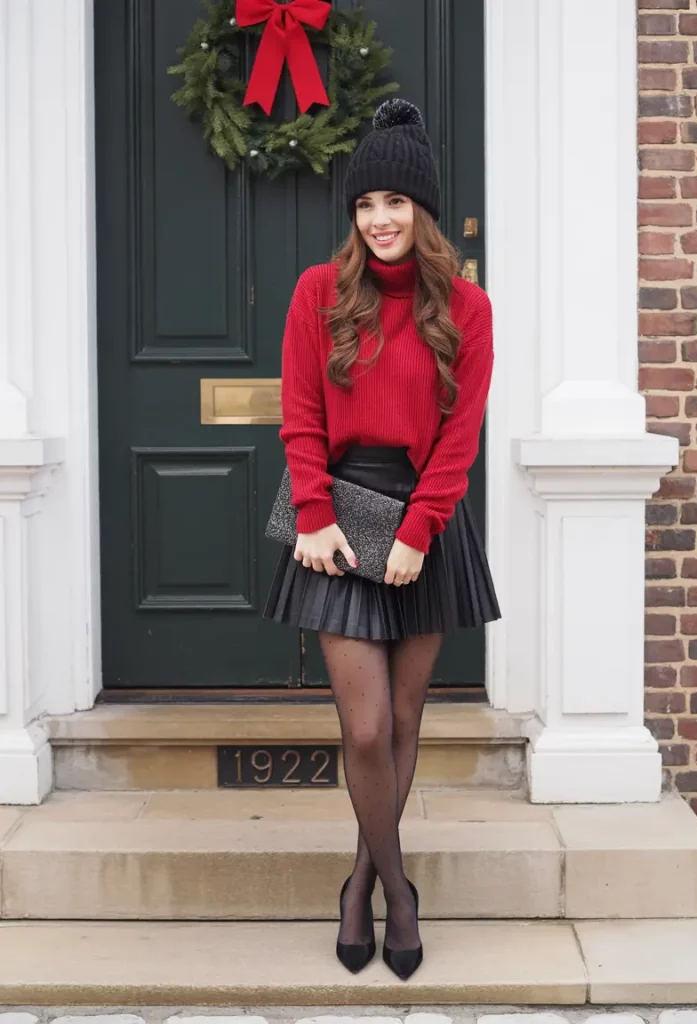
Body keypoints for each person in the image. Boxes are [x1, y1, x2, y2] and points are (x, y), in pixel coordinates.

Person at [263, 98, 501, 981]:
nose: (380, 220)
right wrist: (316, 515)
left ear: (423, 213)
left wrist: (421, 531)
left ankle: (362, 882)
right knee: (365, 729)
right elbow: (300, 412)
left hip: (425, 522)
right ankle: (400, 891)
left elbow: (460, 436)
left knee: (405, 719)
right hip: (338, 516)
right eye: (366, 206)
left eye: (396, 204)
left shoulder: (467, 308)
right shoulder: (319, 294)